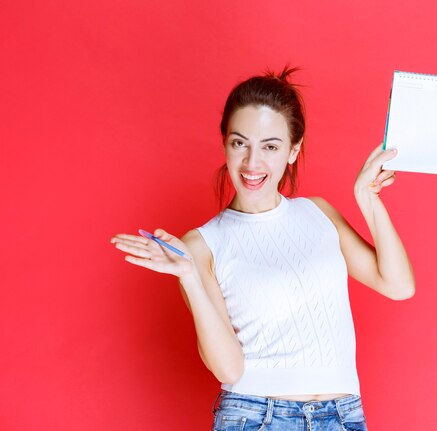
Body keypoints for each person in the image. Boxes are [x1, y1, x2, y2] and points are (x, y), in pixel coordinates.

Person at [111, 66, 414, 431]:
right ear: (225, 143)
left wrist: (367, 198)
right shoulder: (201, 245)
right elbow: (229, 369)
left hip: (344, 415)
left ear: (292, 150)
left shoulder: (319, 214)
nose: (252, 163)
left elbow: (398, 286)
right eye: (240, 143)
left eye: (270, 147)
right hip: (257, 417)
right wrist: (188, 277)